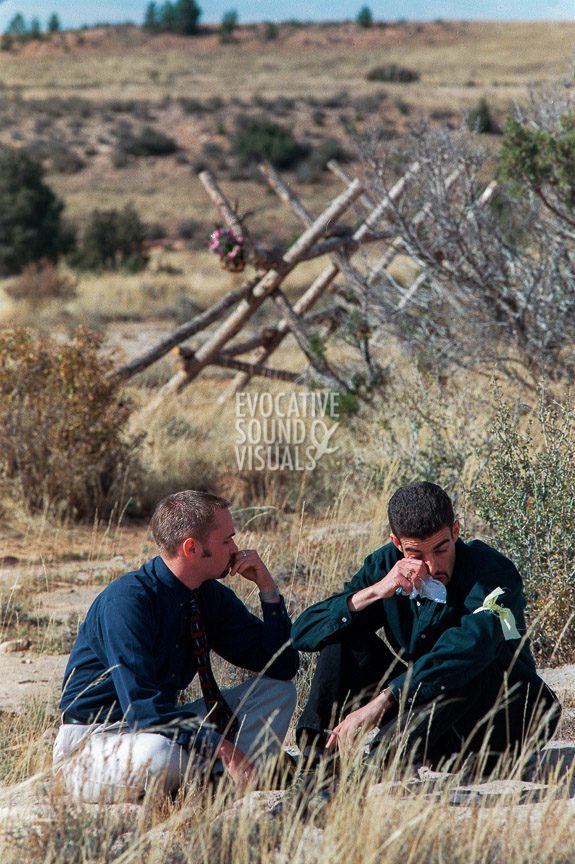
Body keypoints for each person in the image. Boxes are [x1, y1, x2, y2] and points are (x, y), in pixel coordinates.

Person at [292, 481, 560, 773]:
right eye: (417, 555)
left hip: (503, 718)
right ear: (397, 544)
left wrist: (387, 698)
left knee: (461, 663)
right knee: (343, 642)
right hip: (426, 715)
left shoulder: (492, 572)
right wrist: (376, 591)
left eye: (441, 549)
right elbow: (303, 633)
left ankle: (380, 763)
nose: (431, 566)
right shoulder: (386, 565)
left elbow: (469, 648)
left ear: (455, 532)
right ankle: (316, 762)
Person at [53, 490, 299, 802]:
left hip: (159, 729)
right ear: (192, 548)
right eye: (227, 540)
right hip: (97, 740)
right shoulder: (128, 603)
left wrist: (268, 590)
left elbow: (281, 665)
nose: (236, 549)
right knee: (159, 753)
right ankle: (228, 774)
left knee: (277, 692)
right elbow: (142, 709)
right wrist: (222, 748)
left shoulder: (208, 595)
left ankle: (221, 779)